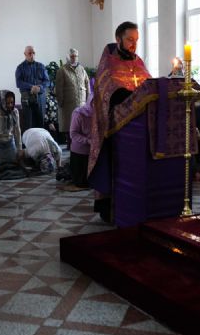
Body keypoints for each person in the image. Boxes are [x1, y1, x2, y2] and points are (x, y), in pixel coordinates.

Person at [88, 21, 151, 222]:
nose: (134, 44)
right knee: (111, 165)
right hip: (112, 127)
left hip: (136, 126)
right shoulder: (108, 61)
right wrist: (130, 96)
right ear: (118, 39)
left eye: (136, 40)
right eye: (130, 39)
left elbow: (149, 85)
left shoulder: (138, 61)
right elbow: (109, 91)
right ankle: (108, 208)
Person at [56, 48, 89, 150]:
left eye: (75, 56)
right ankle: (70, 145)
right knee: (69, 125)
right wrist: (60, 101)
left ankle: (79, 145)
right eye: (72, 56)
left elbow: (87, 84)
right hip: (68, 104)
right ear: (68, 57)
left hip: (82, 103)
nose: (74, 58)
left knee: (81, 125)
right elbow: (59, 88)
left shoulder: (82, 69)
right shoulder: (62, 70)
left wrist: (88, 101)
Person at [15, 46, 50, 129]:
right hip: (27, 99)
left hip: (40, 99)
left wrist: (40, 88)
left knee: (40, 124)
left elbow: (47, 81)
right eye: (30, 53)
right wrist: (31, 87)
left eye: (33, 53)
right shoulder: (20, 68)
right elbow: (18, 83)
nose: (32, 55)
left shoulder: (41, 66)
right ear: (25, 54)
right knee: (29, 124)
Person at [0, 90, 22, 165]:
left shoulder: (15, 112)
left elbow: (17, 131)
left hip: (10, 142)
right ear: (2, 102)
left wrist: (19, 148)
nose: (10, 105)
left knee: (14, 165)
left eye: (12, 102)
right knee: (0, 167)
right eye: (7, 103)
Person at [67, 100, 93, 190]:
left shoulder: (100, 113)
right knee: (82, 183)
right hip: (80, 152)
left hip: (94, 151)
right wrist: (88, 141)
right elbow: (73, 134)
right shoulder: (79, 113)